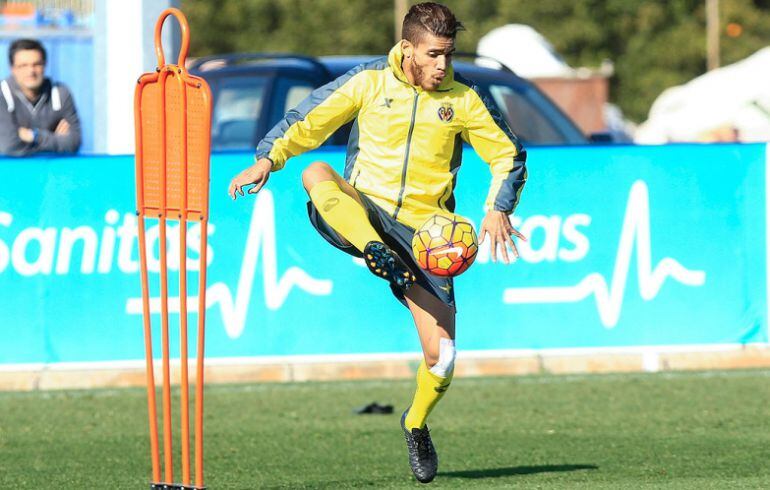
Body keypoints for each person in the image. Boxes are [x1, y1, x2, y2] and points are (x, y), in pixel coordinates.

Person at [228, 2, 527, 483]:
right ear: (407, 48)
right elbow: (309, 120)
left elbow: (508, 155)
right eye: (432, 55)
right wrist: (268, 159)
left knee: (443, 356)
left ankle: (415, 423)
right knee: (315, 171)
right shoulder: (368, 81)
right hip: (361, 211)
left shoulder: (465, 101)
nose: (442, 65)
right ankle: (375, 250)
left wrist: (497, 207)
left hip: (427, 236)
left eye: (448, 55)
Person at [0, 38, 81, 156]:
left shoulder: (60, 93)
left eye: (36, 64)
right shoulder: (3, 95)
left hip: (51, 172)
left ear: (45, 65)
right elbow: (8, 147)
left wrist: (34, 136)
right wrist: (54, 140)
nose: (31, 71)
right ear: (13, 69)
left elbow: (74, 143)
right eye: (23, 66)